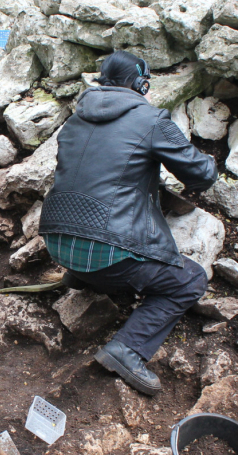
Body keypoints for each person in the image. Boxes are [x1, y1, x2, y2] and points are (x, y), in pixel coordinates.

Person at [39, 50, 218, 396]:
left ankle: (82, 276)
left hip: (58, 244)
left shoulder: (73, 121)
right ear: (141, 83)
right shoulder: (151, 120)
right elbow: (202, 174)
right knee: (190, 280)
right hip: (107, 252)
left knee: (105, 235)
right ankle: (128, 349)